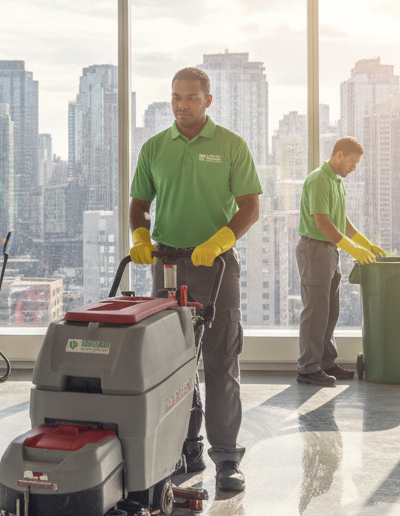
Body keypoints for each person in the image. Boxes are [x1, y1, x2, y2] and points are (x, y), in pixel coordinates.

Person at [128, 67, 261, 492]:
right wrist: (139, 235)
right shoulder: (154, 148)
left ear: (208, 100)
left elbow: (249, 207)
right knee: (171, 364)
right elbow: (138, 206)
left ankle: (226, 457)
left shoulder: (231, 146)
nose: (182, 104)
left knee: (221, 359)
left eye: (190, 97)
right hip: (165, 263)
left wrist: (221, 240)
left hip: (216, 266)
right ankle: (184, 446)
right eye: (175, 97)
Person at [296, 137, 385, 387]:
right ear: (338, 155)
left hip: (330, 250)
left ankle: (325, 362)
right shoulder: (319, 179)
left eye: (357, 163)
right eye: (352, 161)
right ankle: (307, 368)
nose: (354, 167)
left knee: (330, 311)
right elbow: (322, 222)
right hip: (314, 249)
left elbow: (340, 219)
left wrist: (364, 243)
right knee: (315, 312)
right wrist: (351, 248)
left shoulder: (336, 182)